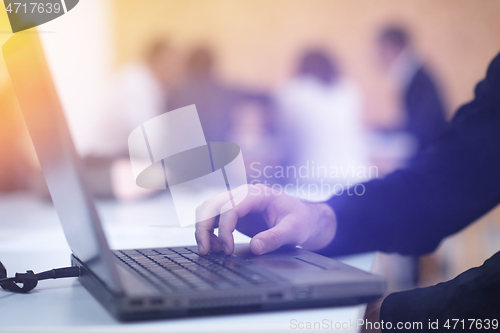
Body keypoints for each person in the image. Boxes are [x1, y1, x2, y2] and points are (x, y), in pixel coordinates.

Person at [194, 51, 500, 328]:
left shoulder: (292, 93)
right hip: (351, 180)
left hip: (316, 181)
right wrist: (319, 216)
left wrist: (393, 316)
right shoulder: (348, 90)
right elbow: (457, 171)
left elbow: (285, 145)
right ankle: (422, 267)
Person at [276, 49, 369, 185]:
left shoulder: (291, 92)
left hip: (311, 177)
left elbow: (285, 140)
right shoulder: (350, 89)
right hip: (356, 175)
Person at [168, 46, 269, 143]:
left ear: (188, 65)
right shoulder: (225, 92)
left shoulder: (174, 96)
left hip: (186, 155)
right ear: (212, 65)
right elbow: (262, 96)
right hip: (220, 154)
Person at [378, 26, 448, 154]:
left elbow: (424, 127)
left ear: (393, 47)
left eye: (382, 51)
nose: (380, 58)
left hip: (430, 153)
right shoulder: (415, 74)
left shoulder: (417, 79)